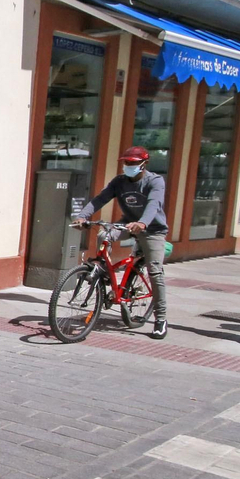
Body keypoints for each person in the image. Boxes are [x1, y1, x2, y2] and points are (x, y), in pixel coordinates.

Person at [73, 145, 169, 339]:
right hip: (127, 223)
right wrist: (83, 216)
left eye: (132, 163)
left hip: (153, 230)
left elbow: (153, 204)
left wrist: (142, 223)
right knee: (104, 235)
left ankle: (161, 318)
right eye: (126, 163)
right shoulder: (119, 182)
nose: (128, 166)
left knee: (155, 272)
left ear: (144, 164)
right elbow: (100, 199)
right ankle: (106, 273)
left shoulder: (155, 181)